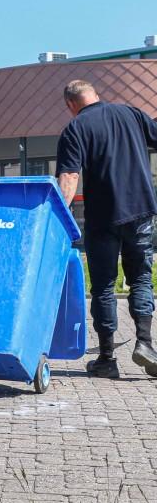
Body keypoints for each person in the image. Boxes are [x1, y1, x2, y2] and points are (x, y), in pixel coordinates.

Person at [57, 80, 157, 379]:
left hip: (102, 219)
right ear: (97, 95)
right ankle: (145, 344)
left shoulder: (75, 129)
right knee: (140, 278)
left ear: (70, 105)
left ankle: (107, 358)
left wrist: (59, 219)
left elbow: (70, 177)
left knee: (103, 287)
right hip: (141, 212)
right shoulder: (131, 113)